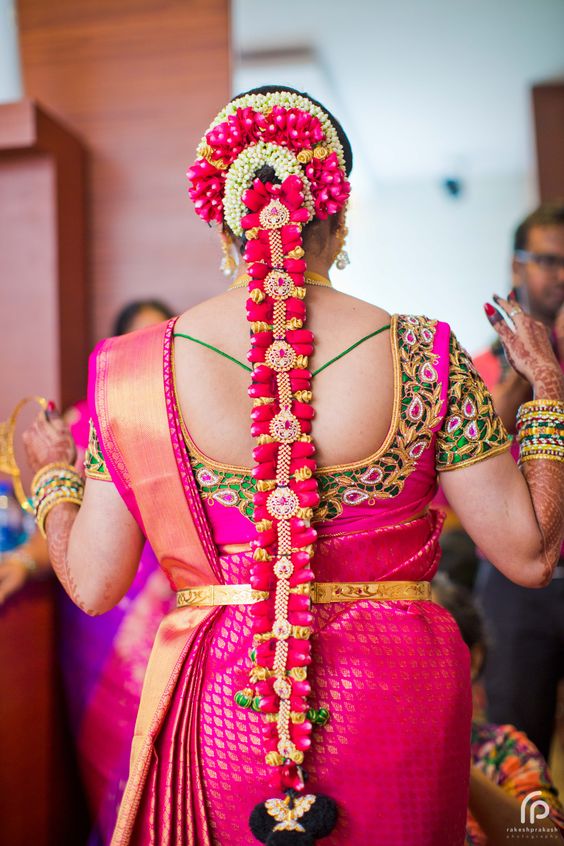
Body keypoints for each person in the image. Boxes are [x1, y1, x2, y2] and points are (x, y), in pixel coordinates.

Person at [21, 87, 564, 846]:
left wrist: (44, 474)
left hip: (223, 704)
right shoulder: (427, 356)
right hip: (397, 694)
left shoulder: (134, 373)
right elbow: (531, 554)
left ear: (221, 222)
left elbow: (94, 580)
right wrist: (547, 398)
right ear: (338, 218)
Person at [1, 300, 175, 845]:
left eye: (160, 340)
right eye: (138, 342)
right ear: (119, 350)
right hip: (98, 615)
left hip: (174, 604)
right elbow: (44, 520)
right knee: (116, 753)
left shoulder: (191, 415)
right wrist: (23, 562)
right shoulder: (84, 423)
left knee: (176, 750)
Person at [473, 202, 564, 762]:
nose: (560, 276)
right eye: (549, 261)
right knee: (519, 748)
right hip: (514, 584)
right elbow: (477, 451)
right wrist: (528, 370)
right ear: (516, 266)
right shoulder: (479, 367)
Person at [432, 573, 564, 844]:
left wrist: (458, 766)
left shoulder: (504, 752)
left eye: (429, 645)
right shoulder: (352, 748)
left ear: (473, 659)